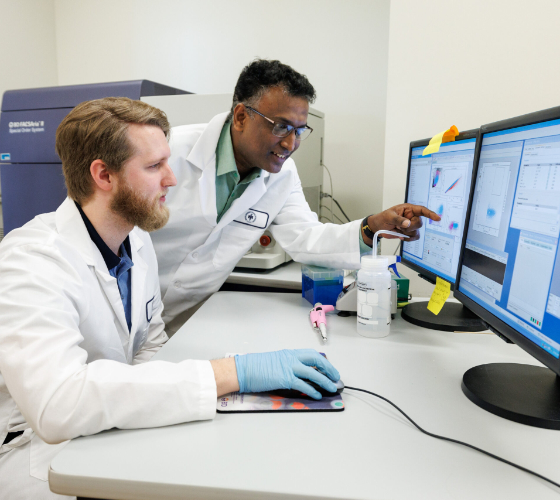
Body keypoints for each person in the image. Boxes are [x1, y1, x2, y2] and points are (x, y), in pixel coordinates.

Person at [0, 97, 340, 500]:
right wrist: (230, 373)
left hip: (107, 430)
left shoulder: (136, 241)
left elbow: (150, 346)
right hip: (37, 456)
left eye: (168, 161)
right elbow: (57, 405)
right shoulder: (30, 261)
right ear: (103, 175)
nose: (171, 179)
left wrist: (229, 395)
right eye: (154, 166)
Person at [151, 59, 440, 334]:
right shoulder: (168, 151)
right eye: (281, 127)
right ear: (241, 117)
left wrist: (371, 228)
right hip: (126, 316)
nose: (291, 144)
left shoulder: (282, 174)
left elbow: (305, 238)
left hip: (186, 323)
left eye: (300, 131)